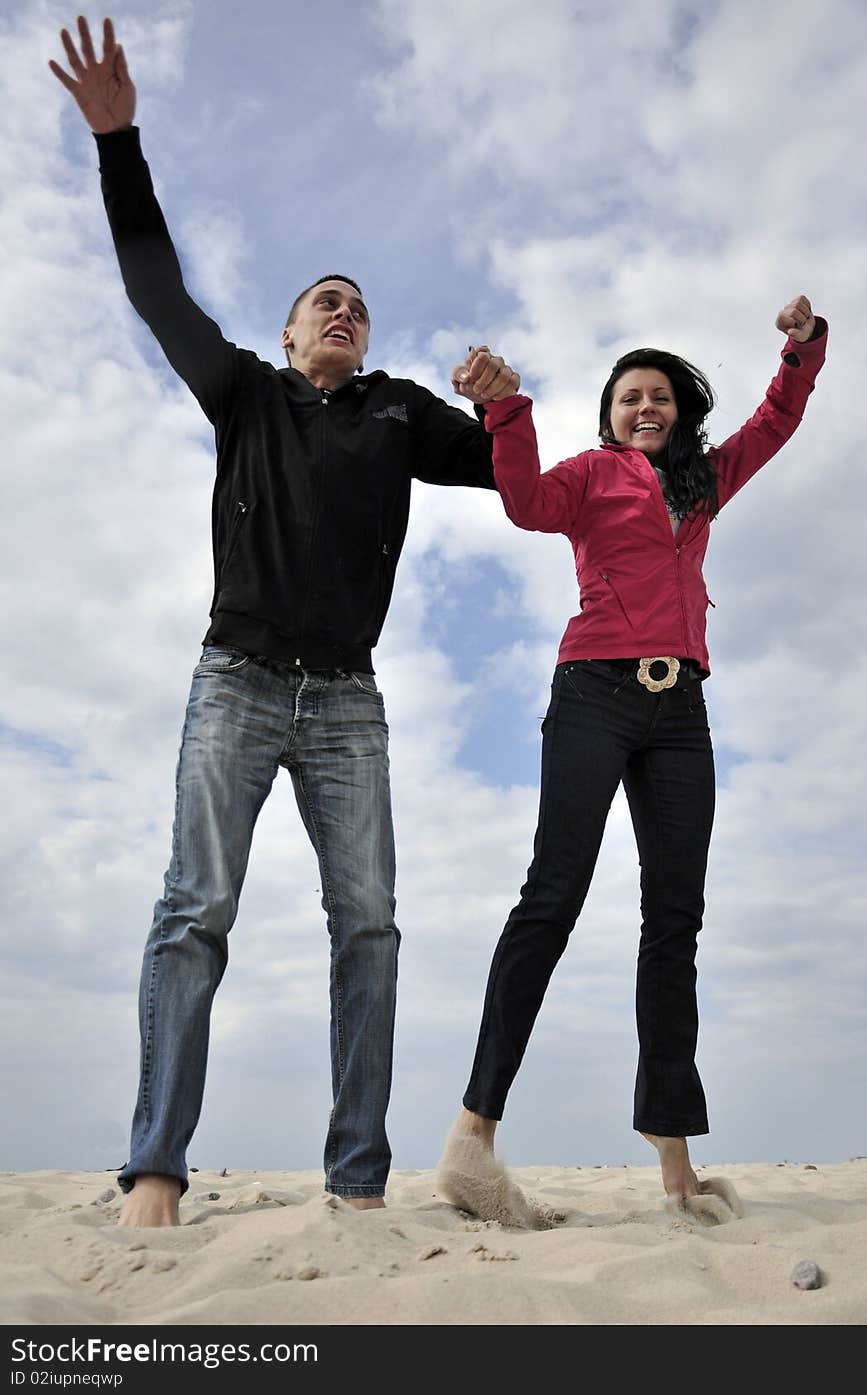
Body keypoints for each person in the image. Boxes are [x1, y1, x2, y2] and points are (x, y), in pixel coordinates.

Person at [50, 16, 509, 1227]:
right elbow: (156, 289)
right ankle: (155, 1172)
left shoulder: (402, 414)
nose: (345, 310)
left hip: (348, 700)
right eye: (325, 300)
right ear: (292, 329)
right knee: (193, 911)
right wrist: (118, 146)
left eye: (359, 301)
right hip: (238, 680)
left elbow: (519, 482)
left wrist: (503, 403)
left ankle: (357, 1181)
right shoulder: (244, 392)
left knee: (369, 928)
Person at [436, 296, 827, 1227]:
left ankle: (677, 1167)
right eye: (628, 397)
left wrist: (802, 350)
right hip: (595, 695)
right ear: (609, 414)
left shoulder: (703, 482)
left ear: (680, 412)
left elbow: (776, 419)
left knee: (675, 921)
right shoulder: (588, 476)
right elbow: (525, 502)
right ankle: (472, 1137)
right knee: (554, 893)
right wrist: (507, 410)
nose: (644, 406)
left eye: (659, 396)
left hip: (681, 710)